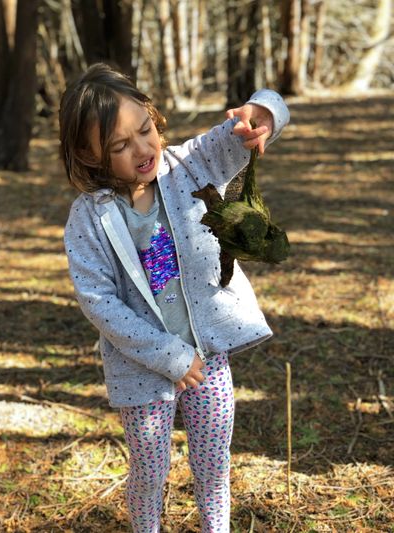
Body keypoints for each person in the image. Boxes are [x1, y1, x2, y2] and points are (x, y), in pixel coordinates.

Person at [60, 62, 289, 533]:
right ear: (88, 154)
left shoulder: (192, 164)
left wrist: (262, 112)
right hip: (143, 372)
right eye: (119, 146)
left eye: (144, 130)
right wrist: (169, 356)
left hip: (210, 359)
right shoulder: (88, 219)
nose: (141, 149)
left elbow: (257, 116)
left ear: (152, 114)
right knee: (149, 474)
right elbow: (99, 301)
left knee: (213, 468)